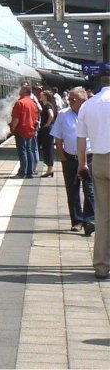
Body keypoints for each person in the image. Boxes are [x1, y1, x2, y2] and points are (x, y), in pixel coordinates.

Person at [77, 73, 110, 280]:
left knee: (103, 216)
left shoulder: (88, 106)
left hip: (98, 161)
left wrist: (82, 164)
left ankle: (101, 266)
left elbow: (81, 140)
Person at [51, 87, 95, 233]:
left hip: (89, 157)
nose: (69, 102)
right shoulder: (63, 114)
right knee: (72, 190)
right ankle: (76, 221)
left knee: (90, 190)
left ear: (82, 100)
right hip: (70, 158)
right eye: (69, 99)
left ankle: (89, 219)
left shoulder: (90, 113)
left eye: (72, 99)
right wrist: (62, 156)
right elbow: (57, 136)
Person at [10, 83, 40, 179]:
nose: (20, 90)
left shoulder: (20, 103)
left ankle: (22, 173)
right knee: (29, 151)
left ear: (25, 91)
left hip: (21, 130)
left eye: (21, 89)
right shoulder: (33, 103)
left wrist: (12, 128)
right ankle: (30, 173)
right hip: (31, 130)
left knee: (22, 151)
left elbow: (16, 119)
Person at [38, 90, 57, 178]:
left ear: (45, 96)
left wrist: (48, 124)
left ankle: (50, 170)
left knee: (48, 148)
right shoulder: (46, 105)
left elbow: (51, 115)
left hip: (48, 130)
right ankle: (49, 169)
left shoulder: (48, 105)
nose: (40, 96)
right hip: (47, 129)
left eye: (41, 95)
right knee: (46, 148)